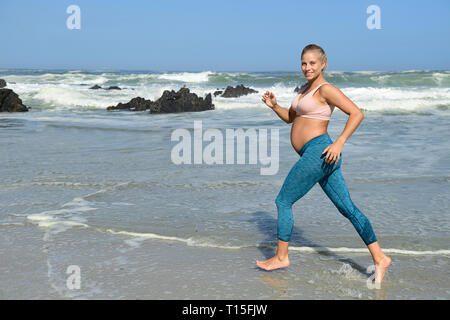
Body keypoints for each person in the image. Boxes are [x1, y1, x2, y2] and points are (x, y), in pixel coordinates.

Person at [257, 44, 391, 284]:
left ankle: (281, 257)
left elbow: (356, 113)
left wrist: (339, 143)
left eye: (312, 63)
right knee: (347, 208)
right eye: (304, 63)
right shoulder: (303, 90)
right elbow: (291, 118)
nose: (307, 68)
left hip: (320, 152)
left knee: (283, 201)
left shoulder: (325, 89)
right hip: (318, 154)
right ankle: (380, 258)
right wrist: (275, 106)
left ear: (323, 64)